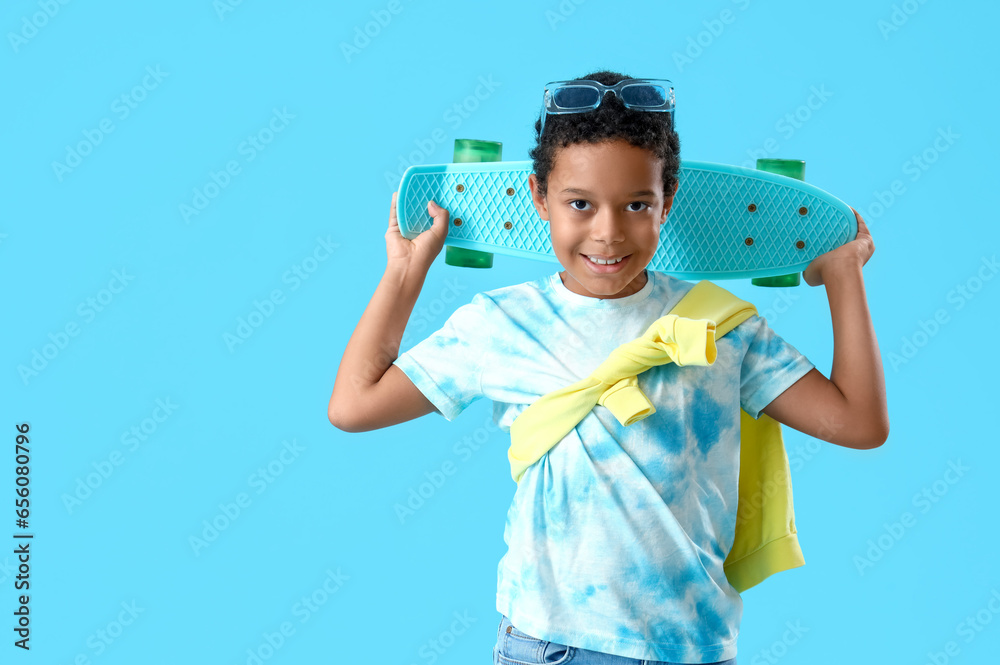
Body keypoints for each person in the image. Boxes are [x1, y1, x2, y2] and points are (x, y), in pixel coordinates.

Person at [328, 69, 889, 665]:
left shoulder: (720, 325)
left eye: (636, 204)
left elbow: (858, 423)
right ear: (539, 198)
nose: (608, 232)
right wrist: (404, 272)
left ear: (667, 201)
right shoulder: (502, 323)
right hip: (550, 645)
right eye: (579, 203)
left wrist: (843, 277)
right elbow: (354, 405)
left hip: (692, 647)